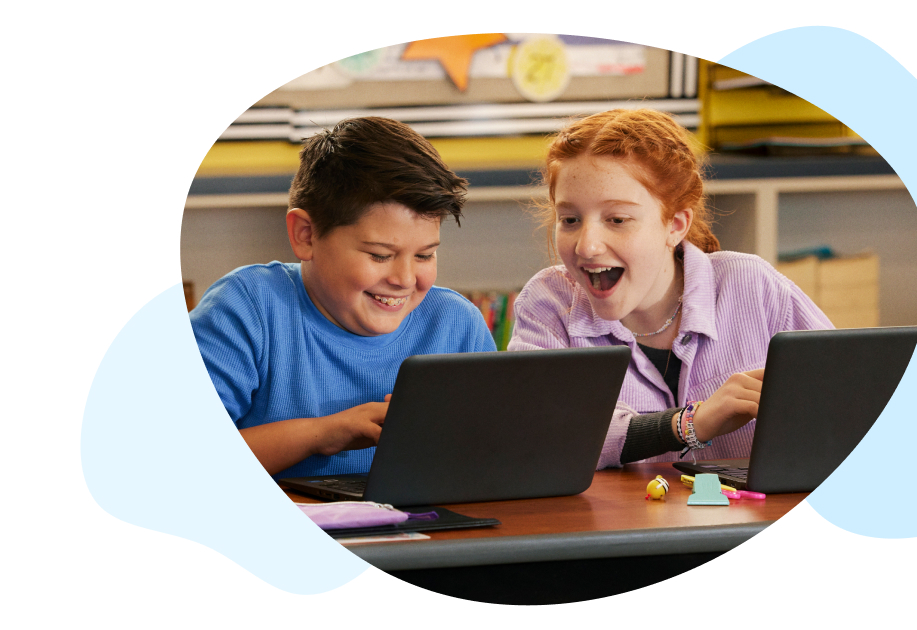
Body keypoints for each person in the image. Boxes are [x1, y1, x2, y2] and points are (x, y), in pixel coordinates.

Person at [508, 108, 833, 469]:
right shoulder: (549, 302)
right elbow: (542, 438)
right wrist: (691, 423)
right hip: (621, 526)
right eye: (569, 220)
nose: (586, 246)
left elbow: (849, 399)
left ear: (675, 225)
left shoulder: (753, 285)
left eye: (617, 220)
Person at [190, 117, 496, 479]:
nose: (404, 279)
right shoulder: (245, 308)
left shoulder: (457, 324)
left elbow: (493, 457)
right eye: (380, 255)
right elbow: (175, 456)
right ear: (306, 235)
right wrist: (324, 434)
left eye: (425, 255)